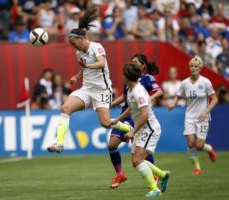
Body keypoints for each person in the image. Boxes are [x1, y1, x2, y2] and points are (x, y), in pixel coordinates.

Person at [47, 7, 131, 153]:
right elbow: (85, 68)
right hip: (87, 89)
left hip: (102, 90)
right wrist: (76, 76)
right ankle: (59, 143)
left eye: (73, 43)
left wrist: (87, 65)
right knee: (65, 108)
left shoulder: (97, 47)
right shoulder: (78, 53)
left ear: (81, 38)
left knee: (105, 123)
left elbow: (101, 63)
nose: (72, 46)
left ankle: (129, 128)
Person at [112, 62, 170, 198]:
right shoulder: (131, 89)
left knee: (137, 161)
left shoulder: (138, 92)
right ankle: (162, 174)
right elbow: (131, 108)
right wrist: (118, 119)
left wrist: (132, 131)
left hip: (149, 128)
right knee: (136, 161)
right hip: (142, 128)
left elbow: (145, 114)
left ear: (126, 76)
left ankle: (154, 189)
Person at [168, 56, 218, 175]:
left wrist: (206, 111)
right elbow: (178, 96)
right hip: (190, 116)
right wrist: (173, 104)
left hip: (203, 117)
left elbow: (215, 99)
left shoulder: (206, 82)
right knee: (190, 143)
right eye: (191, 66)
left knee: (199, 146)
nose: (193, 68)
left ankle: (208, 148)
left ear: (200, 68)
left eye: (196, 66)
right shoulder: (184, 83)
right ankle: (197, 167)